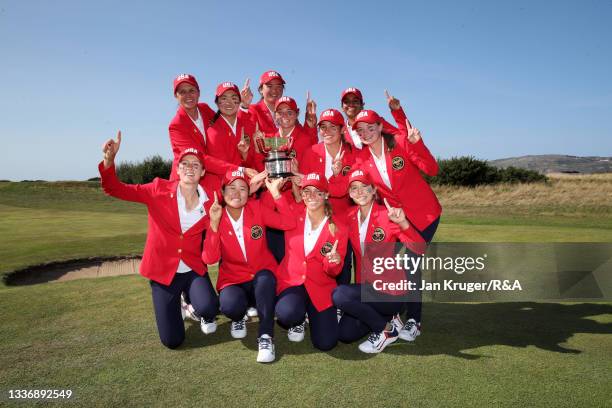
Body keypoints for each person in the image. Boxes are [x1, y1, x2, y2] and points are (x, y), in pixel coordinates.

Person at [99, 131, 219, 349]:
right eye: (185, 164)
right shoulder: (157, 189)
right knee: (173, 341)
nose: (190, 168)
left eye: (195, 165)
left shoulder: (212, 202)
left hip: (192, 269)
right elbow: (114, 189)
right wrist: (109, 161)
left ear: (202, 171)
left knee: (210, 307)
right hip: (163, 272)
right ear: (177, 169)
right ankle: (181, 302)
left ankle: (194, 305)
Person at [351, 108, 441, 341]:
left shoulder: (401, 142)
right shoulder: (361, 158)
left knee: (410, 263)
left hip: (425, 215)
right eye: (361, 130)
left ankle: (414, 320)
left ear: (380, 126)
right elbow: (350, 186)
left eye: (371, 127)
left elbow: (432, 169)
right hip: (396, 218)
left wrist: (418, 144)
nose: (366, 133)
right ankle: (393, 312)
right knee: (384, 262)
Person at [202, 170, 295, 363]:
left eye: (242, 188)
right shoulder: (215, 214)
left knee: (265, 279)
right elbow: (210, 258)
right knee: (230, 306)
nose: (237, 193)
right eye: (232, 188)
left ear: (249, 192)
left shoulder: (257, 207)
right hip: (233, 280)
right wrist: (214, 223)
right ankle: (238, 317)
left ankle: (266, 337)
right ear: (222, 191)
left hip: (262, 278)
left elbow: (288, 222)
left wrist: (277, 194)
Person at [332, 169, 426, 353]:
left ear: (374, 190)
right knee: (345, 334)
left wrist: (403, 223)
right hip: (368, 292)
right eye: (354, 188)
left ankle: (386, 330)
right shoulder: (349, 216)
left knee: (340, 294)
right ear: (349, 194)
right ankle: (390, 320)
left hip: (391, 292)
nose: (360, 192)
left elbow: (420, 249)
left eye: (365, 187)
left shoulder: (387, 214)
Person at [274, 173, 348, 351]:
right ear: (302, 194)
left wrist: (334, 261)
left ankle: (309, 313)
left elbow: (333, 272)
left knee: (326, 343)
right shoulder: (293, 212)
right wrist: (275, 192)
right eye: (307, 191)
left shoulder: (339, 228)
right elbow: (273, 207)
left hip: (320, 287)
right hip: (292, 282)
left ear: (326, 194)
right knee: (288, 313)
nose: (312, 196)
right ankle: (297, 319)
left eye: (318, 191)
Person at [299, 108, 356, 285]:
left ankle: (341, 306)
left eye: (333, 127)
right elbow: (305, 188)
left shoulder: (353, 154)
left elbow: (346, 189)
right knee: (317, 260)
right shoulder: (312, 152)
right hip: (317, 219)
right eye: (323, 127)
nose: (327, 131)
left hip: (344, 218)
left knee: (343, 263)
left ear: (342, 130)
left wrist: (337, 176)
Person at [168, 74, 257, 186]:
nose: (188, 95)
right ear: (176, 95)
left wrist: (243, 106)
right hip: (187, 182)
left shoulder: (204, 109)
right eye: (182, 92)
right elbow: (198, 158)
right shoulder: (176, 125)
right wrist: (240, 170)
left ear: (198, 92)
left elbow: (228, 120)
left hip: (211, 176)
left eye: (191, 90)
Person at [204, 81, 258, 191]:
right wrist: (244, 173)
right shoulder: (213, 131)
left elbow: (251, 162)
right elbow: (220, 168)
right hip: (223, 191)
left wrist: (245, 154)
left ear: (239, 101)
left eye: (234, 98)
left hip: (246, 187)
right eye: (224, 98)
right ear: (217, 103)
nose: (229, 102)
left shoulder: (247, 125)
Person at [340, 87, 412, 150]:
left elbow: (405, 137)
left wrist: (397, 111)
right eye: (346, 102)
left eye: (355, 101)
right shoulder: (338, 131)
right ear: (342, 107)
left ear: (362, 105)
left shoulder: (375, 121)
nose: (351, 104)